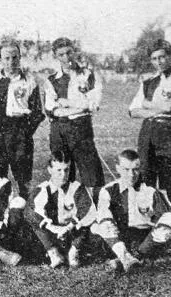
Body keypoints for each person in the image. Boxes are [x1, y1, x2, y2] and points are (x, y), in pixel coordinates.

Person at [26, 151, 139, 271]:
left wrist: (69, 228)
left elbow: (88, 212)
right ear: (50, 170)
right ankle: (54, 254)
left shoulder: (76, 188)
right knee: (32, 218)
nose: (63, 174)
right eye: (59, 170)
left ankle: (121, 257)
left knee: (95, 226)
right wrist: (55, 228)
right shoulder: (42, 189)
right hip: (51, 237)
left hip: (74, 236)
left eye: (66, 170)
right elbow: (35, 212)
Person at [128, 39, 171, 237]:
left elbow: (170, 107)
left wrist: (147, 105)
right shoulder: (148, 82)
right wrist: (152, 107)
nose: (159, 61)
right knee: (145, 183)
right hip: (147, 133)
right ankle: (148, 232)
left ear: (170, 56)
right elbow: (132, 110)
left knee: (169, 187)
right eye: (154, 58)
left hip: (168, 133)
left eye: (162, 57)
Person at [96, 149, 171, 264]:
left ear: (140, 168)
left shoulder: (149, 190)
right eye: (126, 169)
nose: (131, 175)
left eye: (135, 169)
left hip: (145, 240)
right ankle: (125, 257)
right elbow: (103, 219)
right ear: (117, 168)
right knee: (102, 220)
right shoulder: (108, 190)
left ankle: (136, 257)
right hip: (120, 239)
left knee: (170, 217)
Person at [0, 43, 45, 200]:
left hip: (20, 131)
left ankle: (22, 211)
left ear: (20, 57)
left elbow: (38, 112)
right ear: (0, 60)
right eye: (7, 58)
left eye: (15, 57)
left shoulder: (30, 81)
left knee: (23, 175)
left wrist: (25, 131)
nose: (11, 62)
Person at [43, 37, 105, 189]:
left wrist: (69, 104)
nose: (66, 58)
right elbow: (53, 110)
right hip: (59, 131)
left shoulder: (89, 75)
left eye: (69, 52)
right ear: (56, 56)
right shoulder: (51, 80)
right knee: (62, 175)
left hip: (81, 129)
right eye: (61, 54)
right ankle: (63, 210)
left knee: (92, 174)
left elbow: (94, 104)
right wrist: (81, 107)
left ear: (74, 51)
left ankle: (95, 210)